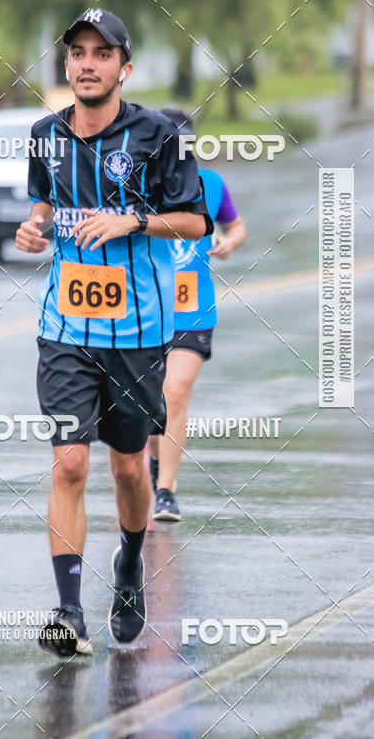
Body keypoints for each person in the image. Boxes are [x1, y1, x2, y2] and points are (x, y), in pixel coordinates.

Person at [15, 11, 213, 657]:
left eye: (103, 53)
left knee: (130, 468)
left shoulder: (158, 137)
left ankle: (129, 564)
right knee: (70, 460)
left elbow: (193, 223)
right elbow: (45, 200)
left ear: (125, 68)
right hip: (65, 326)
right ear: (67, 65)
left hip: (137, 332)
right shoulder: (45, 135)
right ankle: (68, 610)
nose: (88, 64)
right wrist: (34, 226)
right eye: (78, 52)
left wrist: (134, 222)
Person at [148, 108, 246, 522]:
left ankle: (167, 491)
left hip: (192, 311)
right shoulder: (137, 189)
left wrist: (228, 243)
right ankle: (153, 467)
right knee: (148, 404)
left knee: (175, 392)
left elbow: (237, 226)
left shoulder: (212, 184)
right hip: (146, 310)